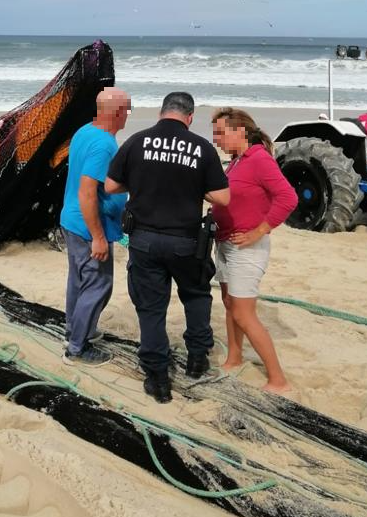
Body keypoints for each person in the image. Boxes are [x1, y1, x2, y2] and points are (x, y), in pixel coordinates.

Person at [105, 92, 230, 403]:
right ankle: (197, 359)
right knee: (197, 296)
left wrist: (141, 183)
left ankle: (157, 377)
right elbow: (223, 197)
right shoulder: (201, 148)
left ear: (162, 112)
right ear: (189, 117)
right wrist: (194, 188)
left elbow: (110, 186)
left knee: (150, 308)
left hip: (144, 240)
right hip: (186, 241)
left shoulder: (137, 141)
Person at [210, 107, 297, 394]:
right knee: (230, 306)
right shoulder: (236, 161)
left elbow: (287, 198)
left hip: (247, 248)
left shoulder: (259, 158)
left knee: (245, 314)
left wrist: (260, 230)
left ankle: (278, 380)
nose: (216, 139)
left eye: (220, 133)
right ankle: (234, 358)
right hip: (224, 242)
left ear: (240, 132)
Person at [59, 87, 131, 367]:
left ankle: (76, 330)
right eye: (126, 109)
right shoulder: (103, 145)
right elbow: (87, 192)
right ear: (116, 113)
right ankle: (78, 347)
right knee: (99, 284)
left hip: (73, 220)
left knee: (79, 280)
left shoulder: (85, 130)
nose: (128, 115)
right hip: (88, 226)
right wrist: (99, 237)